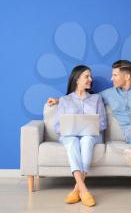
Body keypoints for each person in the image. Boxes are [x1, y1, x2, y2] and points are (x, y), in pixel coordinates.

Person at [48, 60, 131, 204]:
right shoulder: (109, 94)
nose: (111, 78)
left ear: (127, 77)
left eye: (115, 75)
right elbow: (85, 96)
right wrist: (59, 100)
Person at [52, 65, 107, 207]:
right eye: (86, 76)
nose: (90, 79)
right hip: (69, 135)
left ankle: (78, 189)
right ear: (77, 79)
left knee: (87, 140)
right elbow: (58, 126)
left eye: (90, 76)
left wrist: (89, 125)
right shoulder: (65, 100)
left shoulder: (96, 98)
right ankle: (83, 189)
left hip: (91, 135)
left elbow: (103, 124)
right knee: (72, 142)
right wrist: (71, 128)